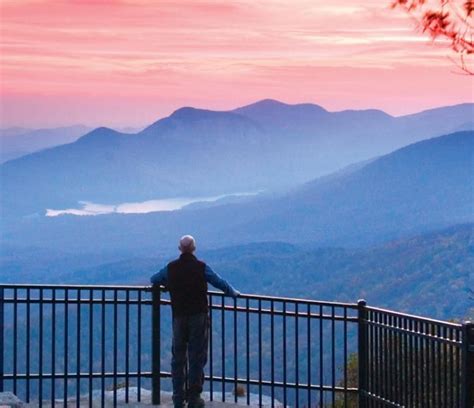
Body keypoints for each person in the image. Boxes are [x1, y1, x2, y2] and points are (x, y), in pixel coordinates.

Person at [150, 235, 240, 408]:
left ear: (179, 249)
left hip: (178, 317)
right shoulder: (201, 267)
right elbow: (219, 282)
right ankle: (194, 398)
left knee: (178, 358)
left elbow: (154, 279)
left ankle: (178, 398)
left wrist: (168, 285)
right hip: (198, 317)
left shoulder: (171, 268)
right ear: (194, 248)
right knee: (196, 357)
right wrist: (233, 293)